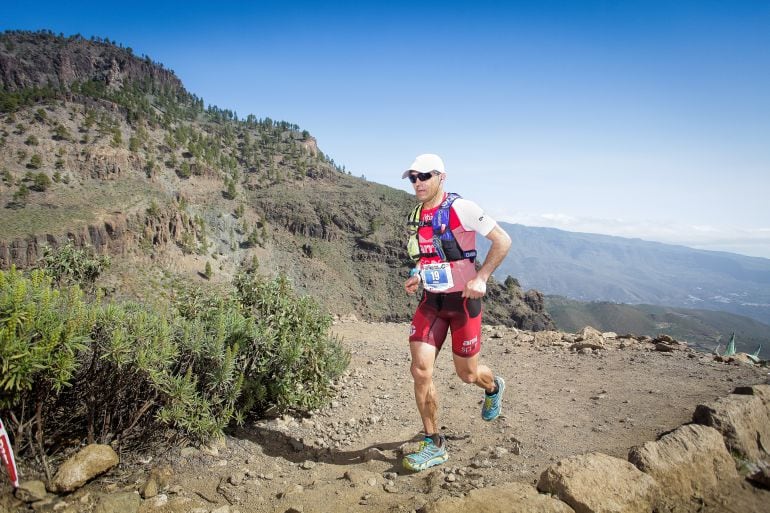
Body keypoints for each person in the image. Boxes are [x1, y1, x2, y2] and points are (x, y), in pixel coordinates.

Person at [401, 153, 512, 472]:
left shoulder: (461, 208)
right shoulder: (417, 214)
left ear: (441, 177)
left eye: (425, 176)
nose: (418, 182)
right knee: (420, 371)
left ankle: (492, 387)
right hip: (432, 303)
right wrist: (417, 276)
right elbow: (426, 255)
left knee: (467, 374)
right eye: (413, 177)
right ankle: (433, 443)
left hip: (463, 304)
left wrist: (482, 277)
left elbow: (502, 240)